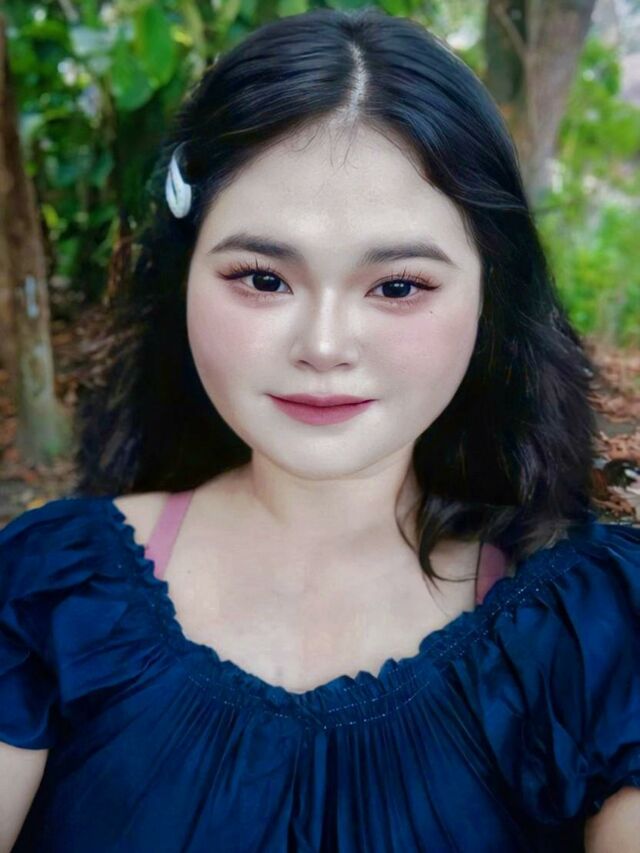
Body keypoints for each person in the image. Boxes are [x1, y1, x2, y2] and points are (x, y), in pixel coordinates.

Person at [1, 7, 639, 851]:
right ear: (183, 277)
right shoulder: (47, 588)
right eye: (263, 278)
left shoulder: (598, 626)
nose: (325, 345)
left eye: (398, 286)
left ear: (492, 295)